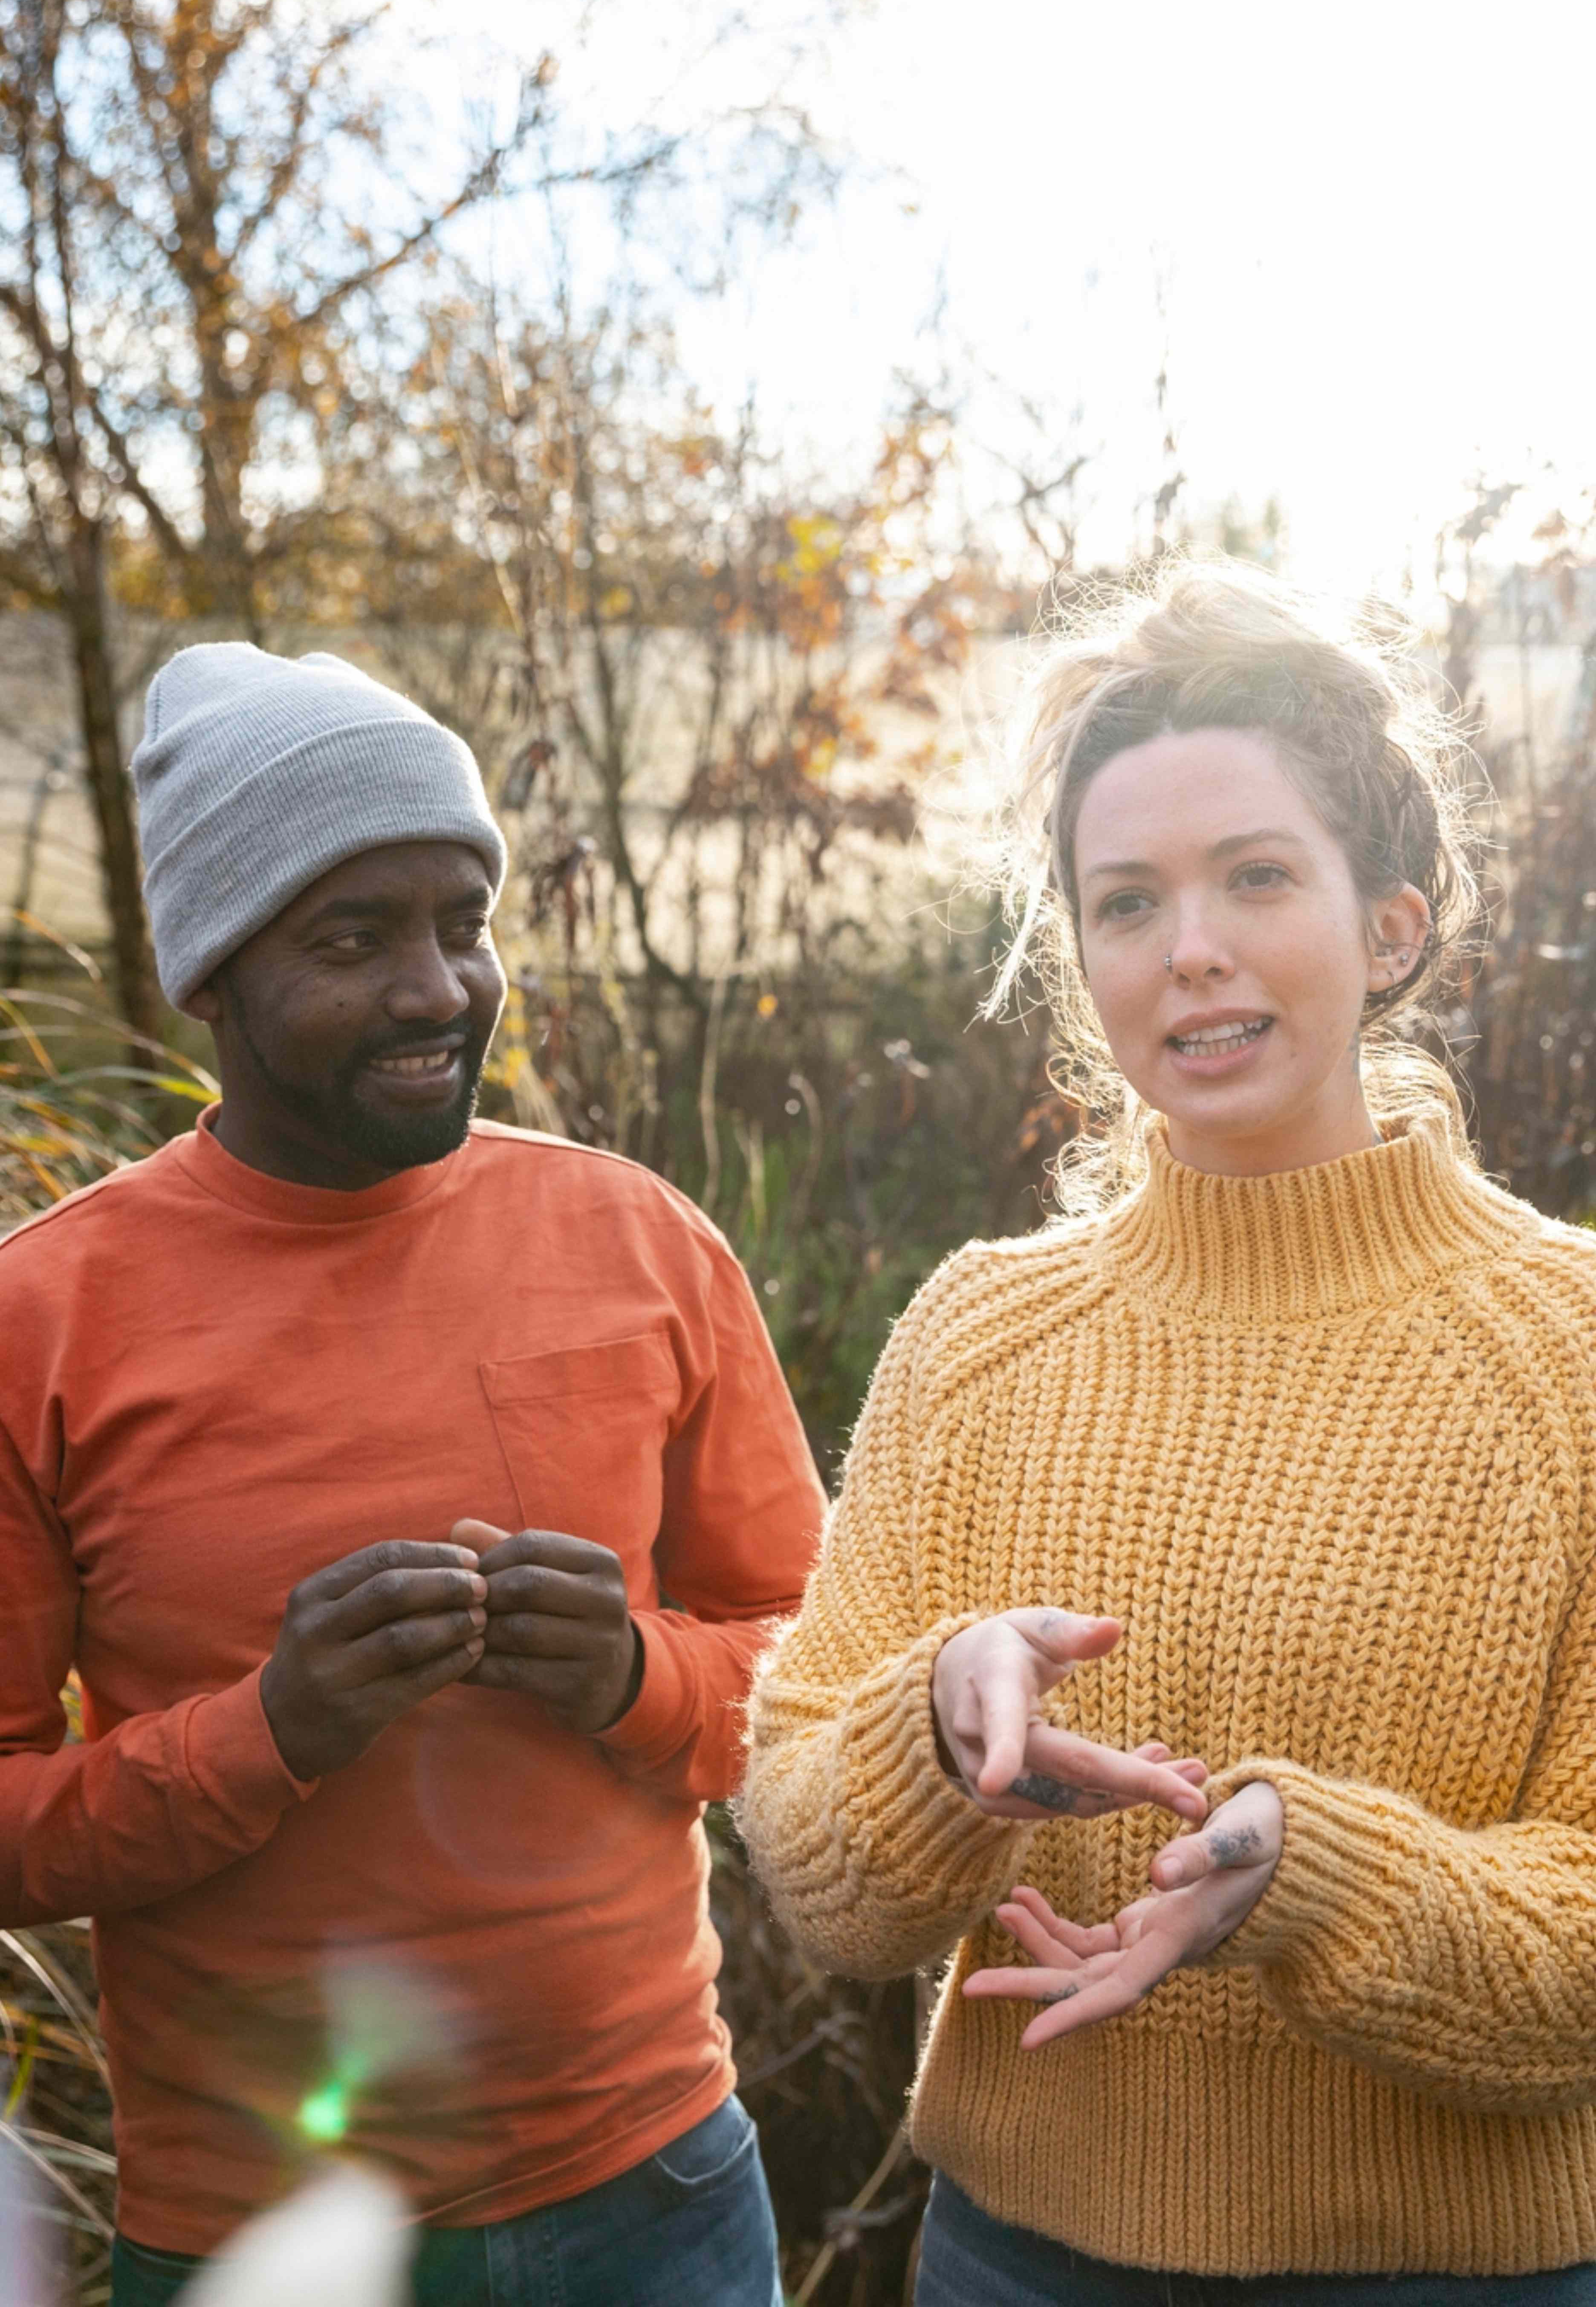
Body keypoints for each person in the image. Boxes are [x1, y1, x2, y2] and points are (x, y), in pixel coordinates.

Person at [740, 560, 1596, 2303]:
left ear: (1392, 927)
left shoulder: (1569, 1357)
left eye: (1257, 878)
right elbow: (814, 1869)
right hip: (1017, 2263)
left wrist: (1305, 1872)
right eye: (1127, 901)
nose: (1190, 945)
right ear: (1081, 958)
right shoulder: (980, 1337)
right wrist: (934, 1724)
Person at [0, 644, 825, 2307]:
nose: (441, 988)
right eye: (353, 938)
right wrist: (269, 1734)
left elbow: (832, 1686)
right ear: (214, 978)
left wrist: (631, 1674)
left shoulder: (641, 1241)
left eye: (464, 921)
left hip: (660, 2193)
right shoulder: (42, 1319)